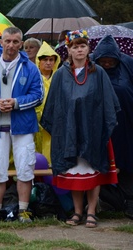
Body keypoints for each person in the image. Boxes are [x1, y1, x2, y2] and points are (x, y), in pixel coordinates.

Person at [40, 30, 120, 228]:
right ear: (68, 49)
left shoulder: (98, 72)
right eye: (75, 46)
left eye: (83, 46)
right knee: (75, 172)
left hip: (92, 130)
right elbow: (53, 107)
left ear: (88, 48)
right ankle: (77, 212)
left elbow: (108, 103)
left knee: (92, 169)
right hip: (69, 132)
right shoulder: (60, 76)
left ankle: (91, 211)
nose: (79, 50)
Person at [0, 26, 44, 223]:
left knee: (25, 168)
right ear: (1, 43)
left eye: (15, 42)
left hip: (22, 125)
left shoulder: (30, 67)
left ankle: (23, 211)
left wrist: (16, 103)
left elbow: (38, 95)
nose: (11, 45)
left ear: (21, 44)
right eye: (7, 41)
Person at [92, 35, 133, 219]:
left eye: (110, 61)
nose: (107, 64)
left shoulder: (128, 64)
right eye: (103, 61)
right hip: (98, 124)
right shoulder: (89, 65)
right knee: (99, 161)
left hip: (125, 124)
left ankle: (128, 200)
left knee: (125, 159)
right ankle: (104, 201)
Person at [34, 41, 60, 163]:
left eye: (51, 60)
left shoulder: (59, 78)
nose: (48, 63)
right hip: (37, 121)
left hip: (54, 122)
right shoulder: (34, 79)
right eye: (45, 60)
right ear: (39, 61)